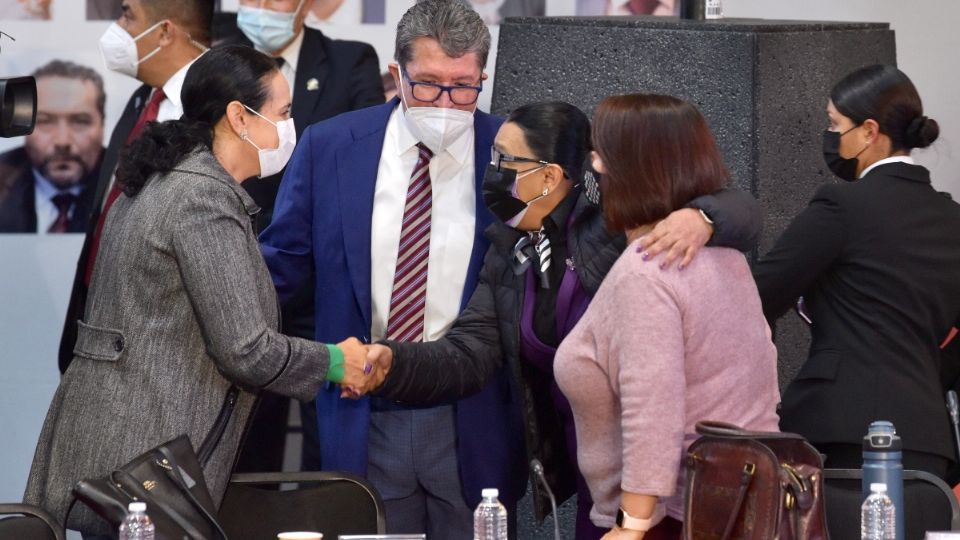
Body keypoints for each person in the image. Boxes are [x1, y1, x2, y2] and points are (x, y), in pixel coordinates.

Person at [364, 100, 762, 539]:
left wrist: (703, 217)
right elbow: (469, 352)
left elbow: (742, 210)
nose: (491, 171)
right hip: (599, 476)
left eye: (504, 161)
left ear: (549, 175)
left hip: (654, 489)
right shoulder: (509, 248)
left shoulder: (624, 237)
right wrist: (391, 363)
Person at [23, 45, 370, 537]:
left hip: (113, 445)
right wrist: (337, 362)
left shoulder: (160, 181)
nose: (292, 128)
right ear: (238, 117)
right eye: (284, 113)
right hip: (143, 459)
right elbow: (246, 350)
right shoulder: (201, 199)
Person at [260, 2, 504, 534]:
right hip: (361, 409)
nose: (446, 101)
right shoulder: (331, 146)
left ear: (483, 78)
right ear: (397, 73)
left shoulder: (510, 151)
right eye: (428, 84)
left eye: (463, 87)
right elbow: (280, 271)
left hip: (472, 416)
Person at [550, 94, 780, 540]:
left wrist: (632, 525)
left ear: (632, 167)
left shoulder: (648, 268)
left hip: (672, 519)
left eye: (601, 154)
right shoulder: (727, 257)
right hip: (743, 504)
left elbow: (652, 406)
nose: (594, 166)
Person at [753, 64, 960, 479]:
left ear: (869, 131)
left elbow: (756, 294)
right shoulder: (952, 218)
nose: (830, 138)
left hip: (840, 432)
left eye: (834, 124)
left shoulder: (841, 207)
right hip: (929, 441)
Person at [231, 0, 385, 473]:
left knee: (332, 454)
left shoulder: (349, 60)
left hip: (327, 289)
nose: (257, 6)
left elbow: (365, 162)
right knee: (245, 454)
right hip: (245, 282)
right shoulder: (224, 64)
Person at [59, 0, 214, 375]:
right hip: (99, 325)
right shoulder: (144, 97)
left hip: (167, 347)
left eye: (127, 14)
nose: (117, 26)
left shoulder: (220, 109)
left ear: (164, 32)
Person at [0, 60, 105, 234]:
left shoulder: (127, 181)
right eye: (45, 121)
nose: (62, 141)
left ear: (103, 124)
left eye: (80, 121)